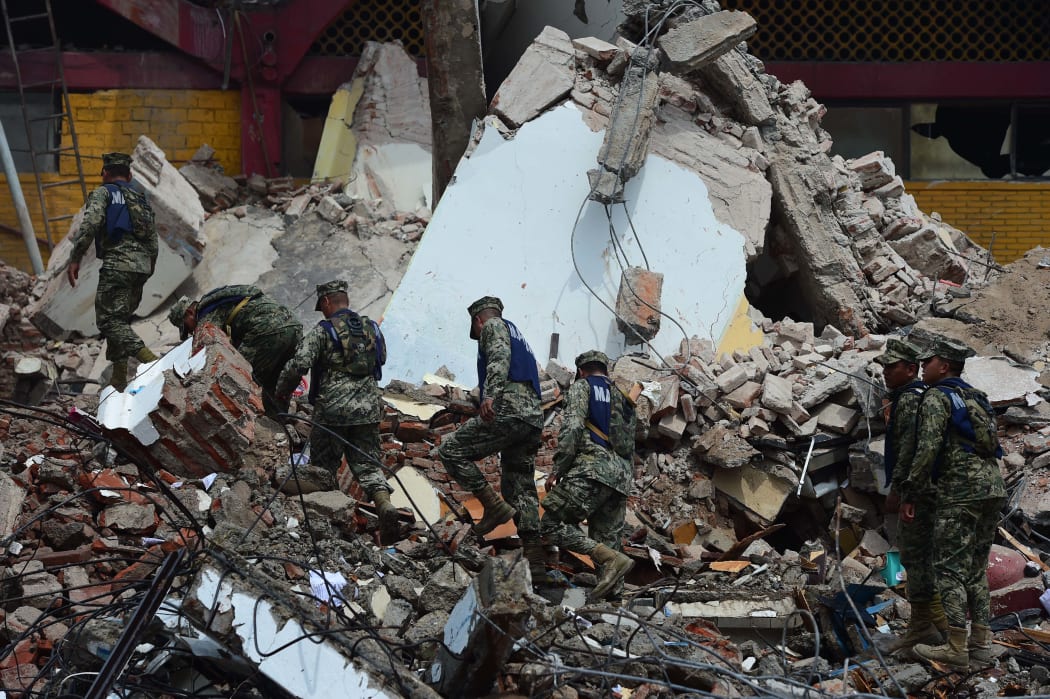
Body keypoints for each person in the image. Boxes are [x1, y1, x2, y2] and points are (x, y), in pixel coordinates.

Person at [900, 337, 1006, 670]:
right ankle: (981, 644)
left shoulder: (937, 396)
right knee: (976, 569)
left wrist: (912, 491)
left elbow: (928, 447)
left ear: (944, 365)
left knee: (948, 569)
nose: (922, 367)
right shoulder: (977, 396)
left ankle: (956, 647)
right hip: (992, 486)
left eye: (927, 361)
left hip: (960, 490)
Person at [274, 280, 397, 543]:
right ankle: (385, 504)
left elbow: (300, 363)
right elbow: (382, 358)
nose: (322, 312)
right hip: (367, 408)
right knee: (367, 463)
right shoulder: (371, 327)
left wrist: (282, 392)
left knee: (323, 468)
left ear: (327, 302)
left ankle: (329, 524)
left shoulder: (324, 330)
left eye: (322, 307)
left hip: (332, 411)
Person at [436, 296, 545, 575]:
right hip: (532, 416)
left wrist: (491, 395)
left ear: (478, 320)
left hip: (509, 407)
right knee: (520, 485)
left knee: (451, 451)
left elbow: (498, 358)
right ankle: (536, 562)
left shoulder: (493, 326)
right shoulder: (517, 333)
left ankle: (492, 506)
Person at [541, 350, 635, 600]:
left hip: (591, 470)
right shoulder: (623, 396)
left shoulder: (583, 387)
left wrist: (558, 469)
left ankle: (611, 558)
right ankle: (614, 605)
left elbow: (572, 427)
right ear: (605, 370)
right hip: (621, 477)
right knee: (608, 538)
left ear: (582, 371)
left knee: (551, 524)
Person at [875, 338, 946, 655]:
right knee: (919, 559)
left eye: (892, 367)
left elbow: (913, 449)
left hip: (920, 491)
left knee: (915, 559)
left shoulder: (911, 400)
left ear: (911, 369)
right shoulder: (910, 397)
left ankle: (925, 629)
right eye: (884, 367)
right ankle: (939, 626)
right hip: (924, 489)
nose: (885, 372)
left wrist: (902, 491)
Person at [66, 152, 158, 390]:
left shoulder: (104, 193)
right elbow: (153, 238)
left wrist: (75, 258)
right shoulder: (140, 198)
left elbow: (90, 224)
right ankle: (118, 379)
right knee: (120, 321)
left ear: (105, 174)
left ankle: (152, 361)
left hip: (117, 264)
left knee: (108, 321)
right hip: (142, 266)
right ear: (129, 175)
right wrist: (149, 267)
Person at [168, 286, 303, 416]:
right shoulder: (219, 301)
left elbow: (203, 351)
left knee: (241, 377)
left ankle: (266, 422)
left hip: (266, 331)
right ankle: (280, 420)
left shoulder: (206, 316)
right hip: (293, 325)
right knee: (276, 381)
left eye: (187, 327)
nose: (192, 332)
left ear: (190, 313)